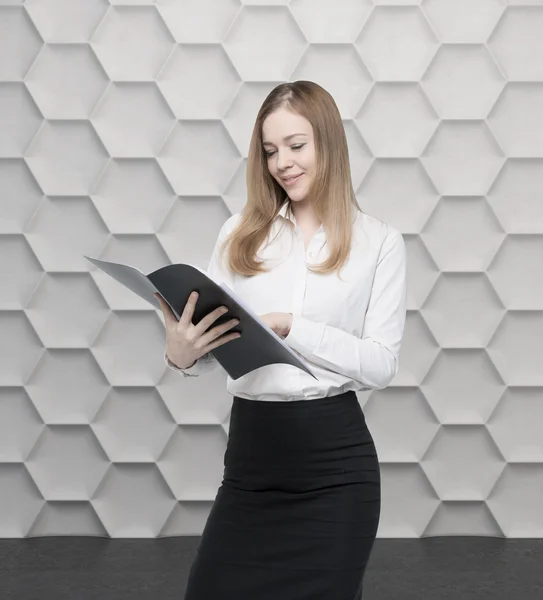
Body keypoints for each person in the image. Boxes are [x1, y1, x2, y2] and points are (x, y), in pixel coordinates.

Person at [155, 80, 407, 600]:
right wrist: (182, 355)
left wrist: (295, 327)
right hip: (251, 463)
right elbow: (212, 350)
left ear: (328, 144)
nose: (282, 163)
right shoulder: (238, 233)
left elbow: (382, 365)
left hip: (335, 468)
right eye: (270, 151)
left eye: (296, 145)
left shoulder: (379, 242)